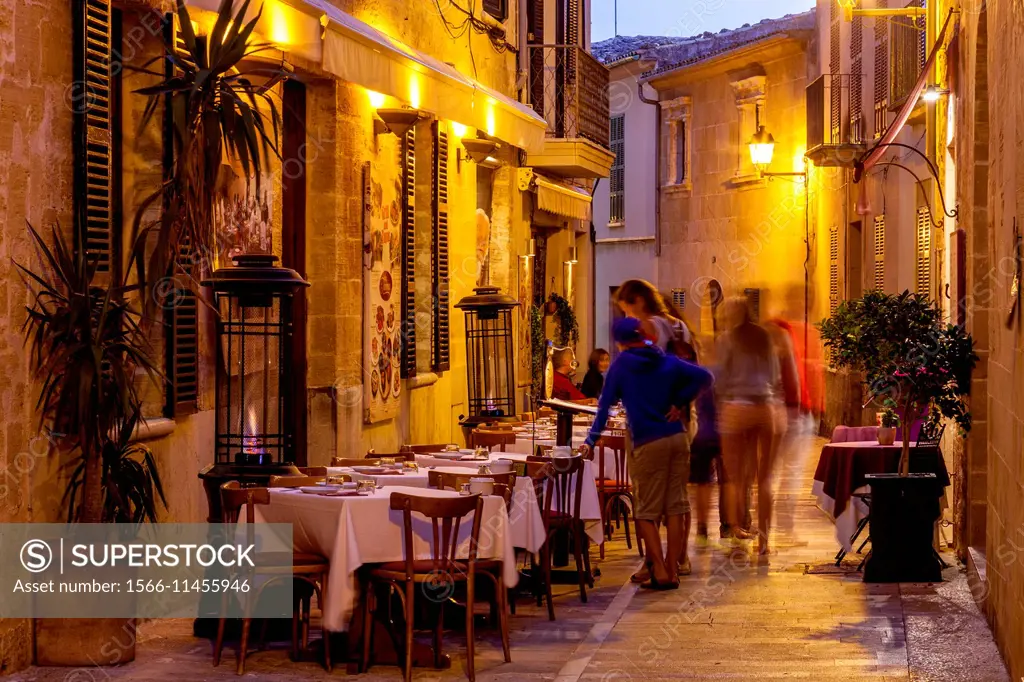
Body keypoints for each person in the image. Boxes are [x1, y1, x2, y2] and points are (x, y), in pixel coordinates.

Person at [582, 317, 713, 590]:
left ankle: (662, 572)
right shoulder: (664, 359)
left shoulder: (622, 365)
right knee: (676, 507)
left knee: (644, 511)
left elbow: (604, 407)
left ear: (620, 341)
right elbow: (705, 377)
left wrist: (591, 440)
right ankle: (673, 568)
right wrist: (680, 401)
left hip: (647, 442)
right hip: (677, 439)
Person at [715, 297, 782, 556]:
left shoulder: (726, 340)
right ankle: (763, 541)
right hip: (765, 408)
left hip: (736, 408)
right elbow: (775, 376)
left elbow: (720, 379)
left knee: (735, 478)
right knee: (764, 478)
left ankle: (735, 530)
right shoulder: (764, 338)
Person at [615, 279, 692, 357]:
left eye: (627, 310)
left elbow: (649, 344)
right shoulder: (680, 323)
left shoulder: (647, 324)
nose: (627, 316)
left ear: (639, 301)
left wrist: (626, 349)